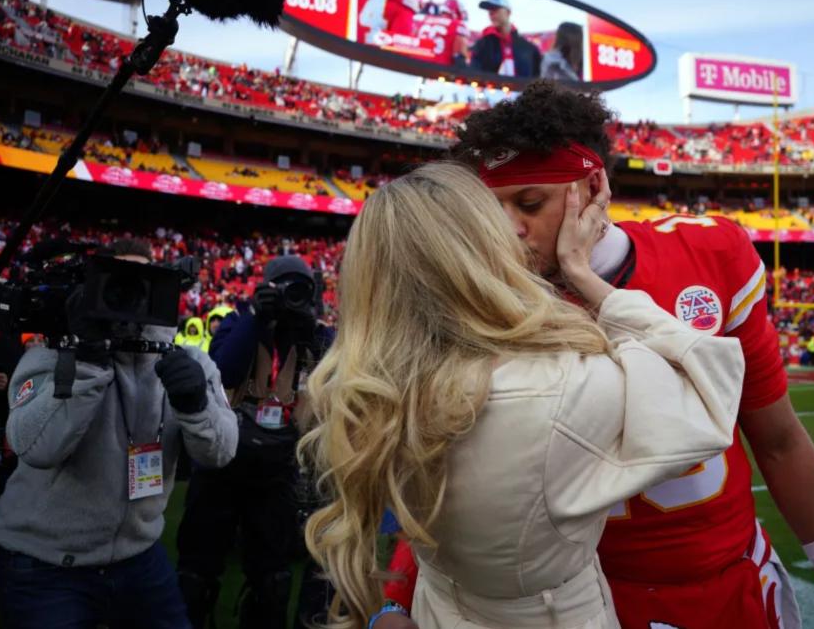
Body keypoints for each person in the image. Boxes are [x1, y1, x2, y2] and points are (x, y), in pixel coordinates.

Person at [380, 80, 814, 629]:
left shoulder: (709, 253)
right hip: (588, 603)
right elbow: (451, 479)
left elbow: (781, 441)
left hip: (729, 583)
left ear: (593, 183)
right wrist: (396, 598)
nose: (508, 230)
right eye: (492, 208)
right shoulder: (479, 300)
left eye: (530, 203)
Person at [302, 164, 743, 629]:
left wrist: (391, 606)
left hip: (440, 609)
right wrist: (587, 276)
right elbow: (710, 384)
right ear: (479, 248)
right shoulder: (563, 390)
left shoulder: (364, 389)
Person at [0, 239, 239, 629]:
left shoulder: (187, 361)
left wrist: (195, 406)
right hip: (46, 563)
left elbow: (222, 452)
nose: (129, 296)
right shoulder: (51, 355)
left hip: (138, 555)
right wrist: (86, 366)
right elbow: (35, 448)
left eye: (142, 282)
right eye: (116, 281)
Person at [176, 255, 330, 628]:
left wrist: (308, 330)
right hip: (222, 460)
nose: (293, 296)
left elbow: (335, 376)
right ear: (268, 288)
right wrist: (257, 319)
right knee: (195, 576)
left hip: (277, 470)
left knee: (273, 580)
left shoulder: (314, 332)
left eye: (301, 287)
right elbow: (224, 369)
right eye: (285, 287)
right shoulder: (239, 321)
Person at [469, 0, 541, 78]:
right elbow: (474, 73)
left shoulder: (529, 48)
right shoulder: (482, 45)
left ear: (508, 12)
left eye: (495, 9)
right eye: (489, 11)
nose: (491, 14)